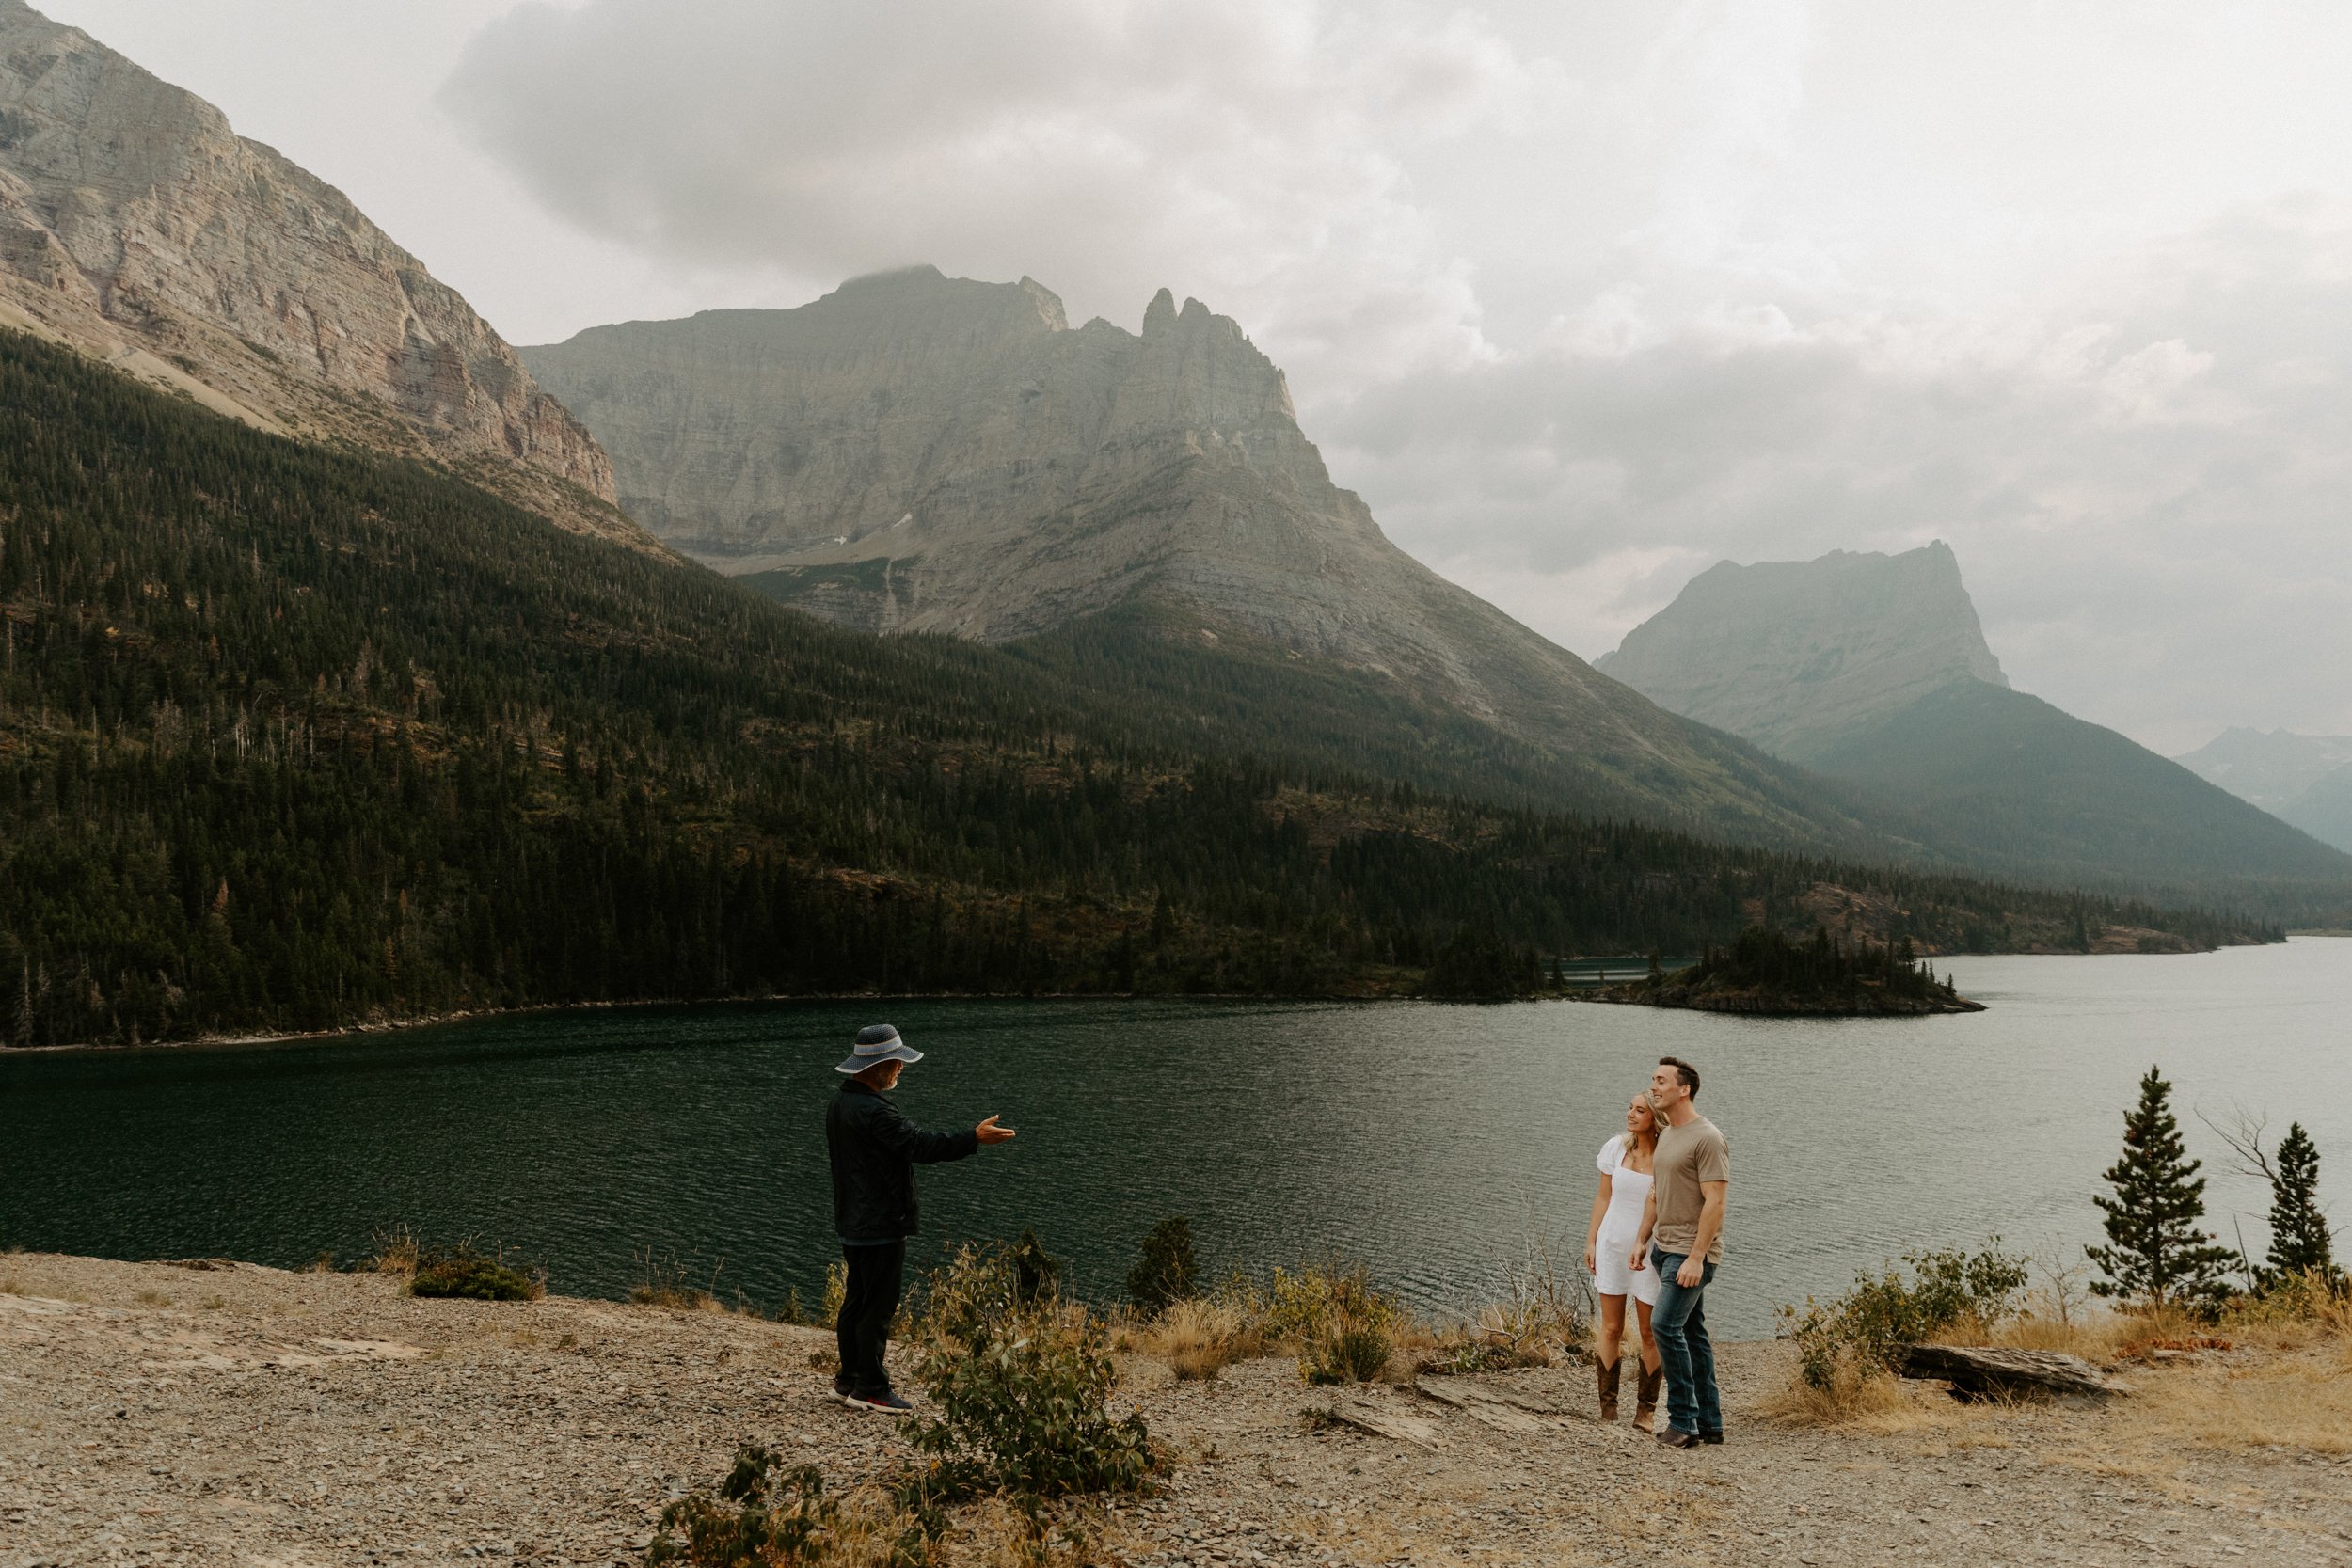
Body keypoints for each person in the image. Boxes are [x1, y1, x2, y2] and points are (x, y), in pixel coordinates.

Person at [825, 1023, 1016, 1413]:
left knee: (857, 1302)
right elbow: (920, 1145)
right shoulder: (876, 1112)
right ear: (878, 1066)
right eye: (896, 1063)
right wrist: (973, 1138)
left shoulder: (840, 1104)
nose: (900, 1069)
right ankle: (872, 1389)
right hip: (880, 1224)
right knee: (876, 1309)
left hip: (852, 1221)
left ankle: (848, 1381)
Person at [1631, 1054, 1729, 1449]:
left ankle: (1684, 1422)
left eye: (1660, 1081)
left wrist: (1696, 1257)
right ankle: (1710, 1423)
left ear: (1683, 1089)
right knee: (1692, 1334)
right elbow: (1657, 1193)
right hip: (1664, 1249)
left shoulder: (1707, 1137)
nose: (1653, 1087)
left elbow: (1716, 1202)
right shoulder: (1669, 1133)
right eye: (1652, 1080)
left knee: (1664, 1327)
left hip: (1689, 1256)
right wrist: (1642, 1238)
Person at [1582, 1091, 1663, 1428]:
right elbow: (1603, 1197)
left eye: (1639, 1110)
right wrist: (1591, 1240)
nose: (1630, 1114)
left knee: (1649, 1332)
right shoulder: (1616, 1147)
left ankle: (1645, 1411)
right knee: (1611, 1327)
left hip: (1649, 1250)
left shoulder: (1667, 1155)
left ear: (1655, 1118)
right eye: (1629, 1107)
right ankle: (1608, 1407)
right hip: (1612, 1245)